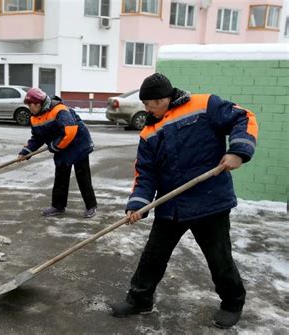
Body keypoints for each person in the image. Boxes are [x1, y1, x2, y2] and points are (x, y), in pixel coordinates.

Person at [109, 73, 258, 329]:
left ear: (164, 98)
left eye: (150, 103)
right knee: (153, 255)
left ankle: (232, 302)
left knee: (218, 257)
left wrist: (238, 152)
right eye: (144, 103)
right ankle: (140, 300)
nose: (147, 109)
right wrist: (137, 205)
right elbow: (146, 173)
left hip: (209, 200)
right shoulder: (149, 132)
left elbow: (243, 117)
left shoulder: (204, 105)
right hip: (172, 205)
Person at [18, 88, 97, 218]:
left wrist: (55, 146)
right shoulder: (35, 118)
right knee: (60, 176)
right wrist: (26, 152)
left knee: (82, 176)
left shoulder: (59, 110)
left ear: (38, 104)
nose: (29, 108)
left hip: (78, 143)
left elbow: (70, 130)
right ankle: (58, 206)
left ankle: (91, 206)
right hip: (61, 145)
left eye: (30, 105)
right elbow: (37, 138)